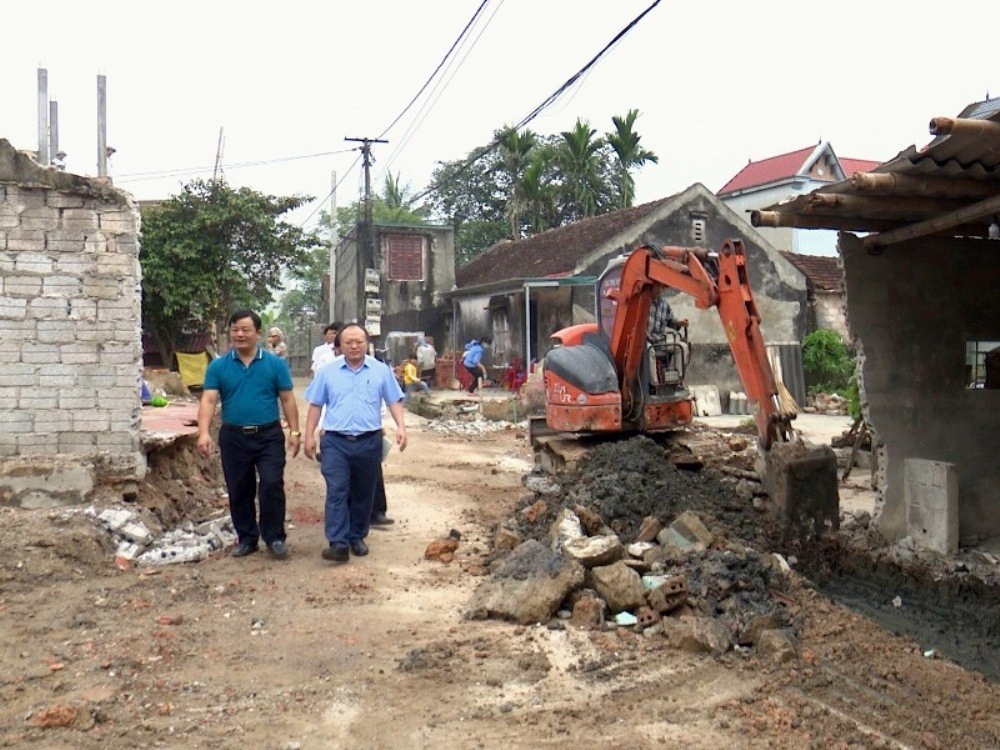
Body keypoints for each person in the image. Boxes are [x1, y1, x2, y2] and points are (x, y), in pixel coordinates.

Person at [197, 309, 301, 559]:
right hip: (234, 437)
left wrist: (295, 431)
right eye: (235, 330)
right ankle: (247, 538)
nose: (240, 334)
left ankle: (275, 537)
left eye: (245, 330)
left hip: (268, 435)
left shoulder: (275, 364)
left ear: (258, 333)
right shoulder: (219, 366)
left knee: (271, 483)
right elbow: (209, 400)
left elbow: (287, 399)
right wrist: (203, 433)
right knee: (239, 488)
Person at [304, 323, 407, 563]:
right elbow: (316, 405)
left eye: (359, 341)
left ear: (366, 343)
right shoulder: (328, 372)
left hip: (369, 441)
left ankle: (357, 536)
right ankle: (338, 543)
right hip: (335, 441)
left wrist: (401, 427)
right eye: (348, 342)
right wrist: (309, 435)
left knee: (364, 491)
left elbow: (394, 400)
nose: (353, 346)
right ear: (339, 346)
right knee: (337, 490)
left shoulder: (380, 371)